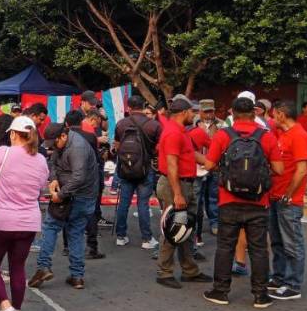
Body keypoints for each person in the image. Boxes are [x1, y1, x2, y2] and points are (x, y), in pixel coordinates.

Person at [200, 96, 284, 308]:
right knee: (258, 249)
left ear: (233, 114)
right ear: (254, 113)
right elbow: (280, 170)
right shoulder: (266, 136)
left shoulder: (223, 135)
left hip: (229, 200)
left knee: (225, 246)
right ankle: (260, 295)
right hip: (258, 201)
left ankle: (220, 291)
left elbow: (209, 165)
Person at [0, 116, 49, 311]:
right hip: (28, 221)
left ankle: (6, 306)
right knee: (17, 267)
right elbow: (41, 186)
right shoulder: (41, 160)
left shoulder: (3, 152)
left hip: (0, 220)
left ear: (13, 133)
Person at [28, 122, 98, 291]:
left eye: (55, 143)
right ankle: (77, 276)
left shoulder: (78, 148)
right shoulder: (63, 144)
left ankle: (44, 266)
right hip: (76, 194)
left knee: (51, 227)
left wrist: (60, 194)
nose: (54, 147)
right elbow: (52, 162)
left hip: (78, 196)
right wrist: (53, 179)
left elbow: (79, 177)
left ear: (64, 136)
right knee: (75, 233)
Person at [154, 96, 210, 289]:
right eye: (192, 112)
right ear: (184, 113)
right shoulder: (173, 133)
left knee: (185, 229)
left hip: (183, 184)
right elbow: (171, 166)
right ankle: (164, 272)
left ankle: (189, 270)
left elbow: (189, 154)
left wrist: (208, 162)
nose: (194, 115)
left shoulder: (180, 131)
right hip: (175, 185)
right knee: (173, 229)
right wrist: (177, 194)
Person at [267, 101, 307, 302]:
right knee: (277, 241)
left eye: (274, 114)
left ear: (282, 115)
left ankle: (293, 284)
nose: (272, 118)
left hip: (289, 199)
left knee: (292, 242)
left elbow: (301, 170)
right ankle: (278, 277)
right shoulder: (282, 134)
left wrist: (288, 193)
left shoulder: (299, 135)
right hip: (276, 196)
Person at [113, 95, 162, 249]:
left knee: (124, 203)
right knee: (143, 204)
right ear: (143, 106)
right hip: (145, 169)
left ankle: (121, 236)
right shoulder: (153, 125)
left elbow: (116, 145)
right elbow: (160, 148)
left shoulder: (121, 124)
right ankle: (147, 239)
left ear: (129, 107)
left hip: (126, 168)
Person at [66, 110, 107, 259]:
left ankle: (67, 246)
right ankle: (92, 247)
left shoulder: (65, 136)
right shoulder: (90, 137)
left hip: (70, 178)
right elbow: (95, 158)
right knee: (91, 212)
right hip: (89, 179)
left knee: (68, 211)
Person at [189, 99, 220, 238]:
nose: (208, 115)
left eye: (211, 111)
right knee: (197, 197)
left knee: (213, 196)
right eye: (205, 111)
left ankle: (214, 223)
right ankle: (196, 228)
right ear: (200, 111)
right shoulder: (192, 123)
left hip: (213, 166)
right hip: (197, 167)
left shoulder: (221, 124)